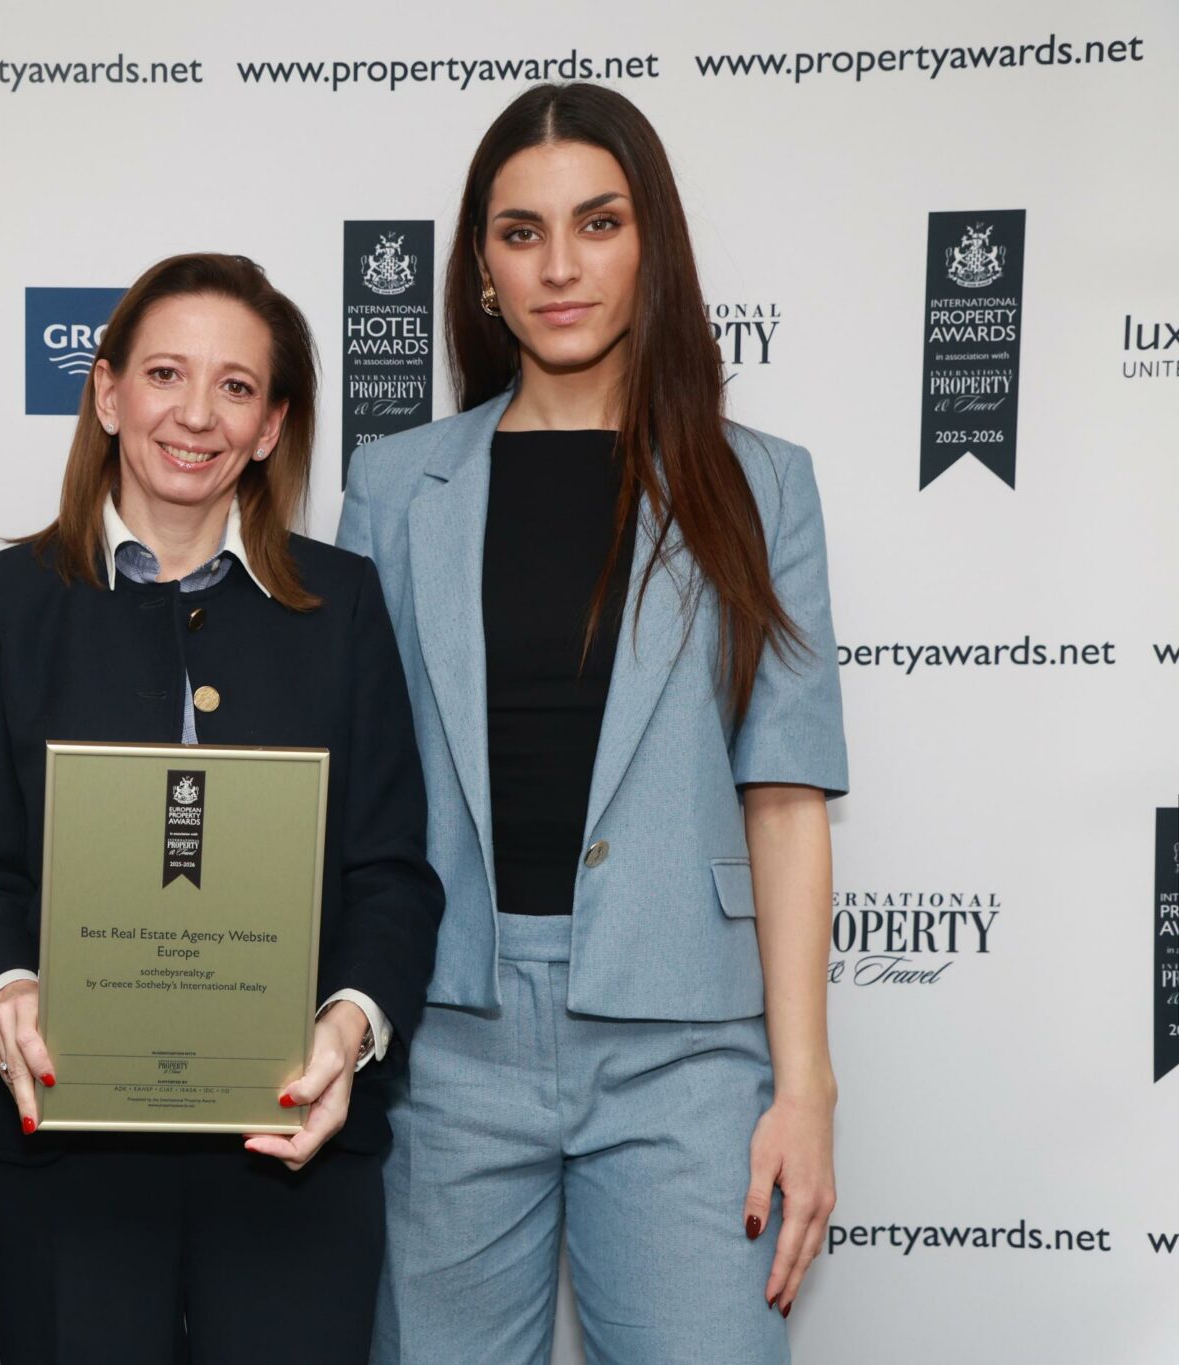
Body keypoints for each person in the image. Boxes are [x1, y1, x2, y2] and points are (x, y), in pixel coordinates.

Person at [340, 83, 848, 1364]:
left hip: (685, 1050)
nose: (558, 267)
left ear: (648, 244)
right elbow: (356, 791)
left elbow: (783, 800)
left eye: (597, 223)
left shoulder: (760, 484)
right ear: (480, 268)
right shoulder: (392, 487)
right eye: (520, 232)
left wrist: (805, 1088)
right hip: (443, 1039)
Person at [0, 252, 443, 1365]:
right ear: (107, 392)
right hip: (67, 1154)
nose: (196, 414)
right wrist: (7, 992)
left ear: (270, 428)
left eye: (236, 387)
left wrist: (347, 1030)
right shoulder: (3, 601)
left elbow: (391, 874)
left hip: (293, 1148)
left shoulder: (343, 603)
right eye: (165, 373)